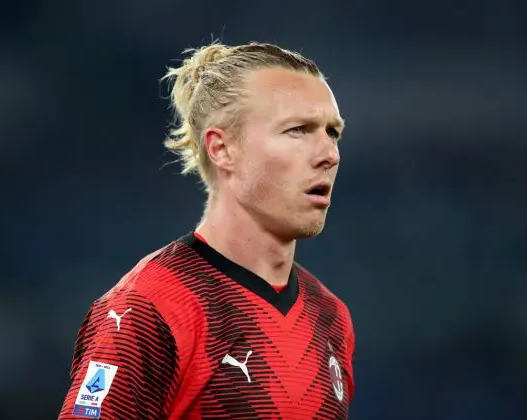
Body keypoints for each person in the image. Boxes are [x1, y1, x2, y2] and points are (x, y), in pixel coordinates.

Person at [58, 41, 355, 419]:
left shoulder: (330, 317)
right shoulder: (150, 306)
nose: (329, 154)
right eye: (298, 130)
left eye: (332, 132)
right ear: (222, 148)